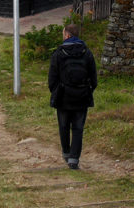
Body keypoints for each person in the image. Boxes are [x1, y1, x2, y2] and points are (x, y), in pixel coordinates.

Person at [48, 22, 97, 170]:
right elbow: (93, 78)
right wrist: (87, 90)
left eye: (63, 34)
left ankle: (66, 153)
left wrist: (56, 91)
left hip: (63, 96)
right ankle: (74, 159)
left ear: (67, 35)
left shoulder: (58, 53)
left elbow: (52, 78)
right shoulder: (87, 53)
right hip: (82, 96)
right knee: (78, 128)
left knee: (63, 126)